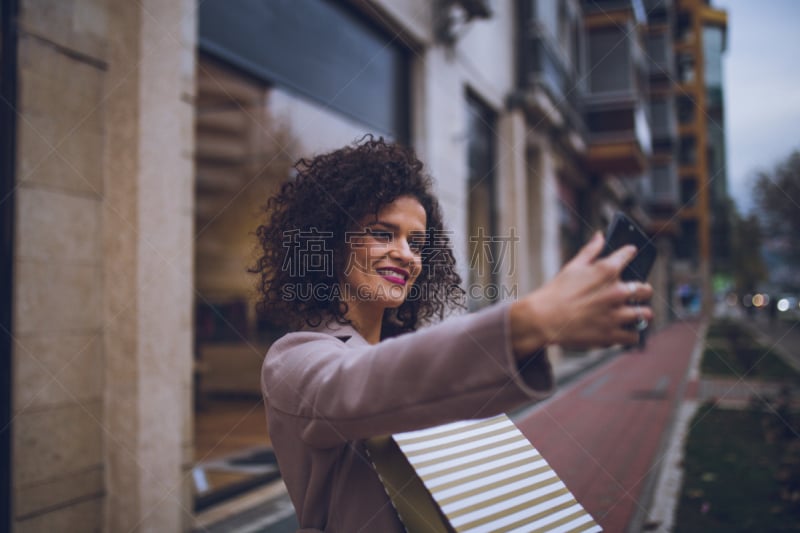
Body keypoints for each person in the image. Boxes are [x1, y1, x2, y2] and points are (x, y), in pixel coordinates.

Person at [252, 136, 653, 532]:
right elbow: (364, 382)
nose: (407, 255)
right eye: (382, 233)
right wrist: (532, 321)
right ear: (331, 243)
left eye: (417, 242)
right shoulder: (294, 359)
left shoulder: (399, 348)